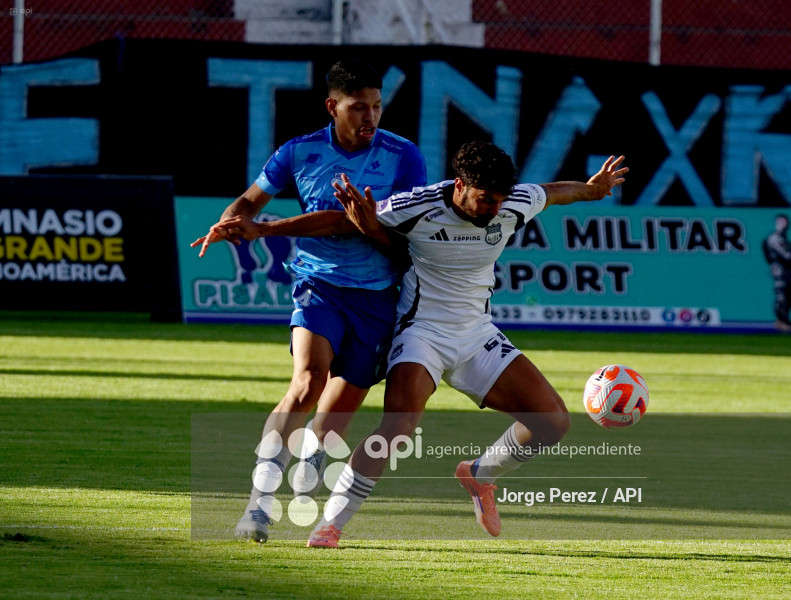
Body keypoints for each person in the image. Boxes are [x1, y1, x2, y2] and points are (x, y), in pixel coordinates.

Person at [303, 141, 628, 548]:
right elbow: (339, 222)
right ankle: (330, 525)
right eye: (485, 200)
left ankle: (480, 474)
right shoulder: (416, 205)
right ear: (460, 186)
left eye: (501, 201)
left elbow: (554, 192)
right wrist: (262, 229)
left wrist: (592, 189)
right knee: (398, 427)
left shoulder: (512, 202)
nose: (495, 209)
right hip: (421, 333)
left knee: (553, 422)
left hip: (478, 335)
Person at [191, 58, 427, 542]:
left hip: (379, 298)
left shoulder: (404, 156)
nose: (371, 117)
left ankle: (313, 454)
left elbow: (386, 234)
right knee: (307, 380)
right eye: (359, 107)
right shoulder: (298, 153)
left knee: (330, 426)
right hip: (317, 285)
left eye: (377, 107)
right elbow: (250, 199)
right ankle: (256, 507)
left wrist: (266, 229)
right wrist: (231, 220)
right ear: (332, 107)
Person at [762, 214, 791, 332]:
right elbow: (785, 256)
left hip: (787, 272)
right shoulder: (774, 238)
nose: (782, 225)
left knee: (787, 296)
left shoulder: (783, 238)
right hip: (781, 272)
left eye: (784, 222)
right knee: (782, 295)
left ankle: (783, 321)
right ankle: (781, 321)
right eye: (780, 222)